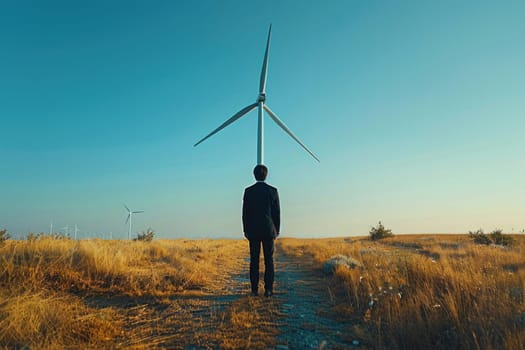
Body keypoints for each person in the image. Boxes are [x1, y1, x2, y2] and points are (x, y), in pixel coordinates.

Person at [242, 164, 280, 297]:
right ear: (266, 175)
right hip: (269, 230)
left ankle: (254, 290)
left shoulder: (248, 191)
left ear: (254, 175)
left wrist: (245, 230)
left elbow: (245, 213)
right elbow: (277, 213)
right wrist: (277, 229)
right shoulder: (273, 191)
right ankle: (269, 289)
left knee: (254, 260)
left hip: (253, 230)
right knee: (269, 260)